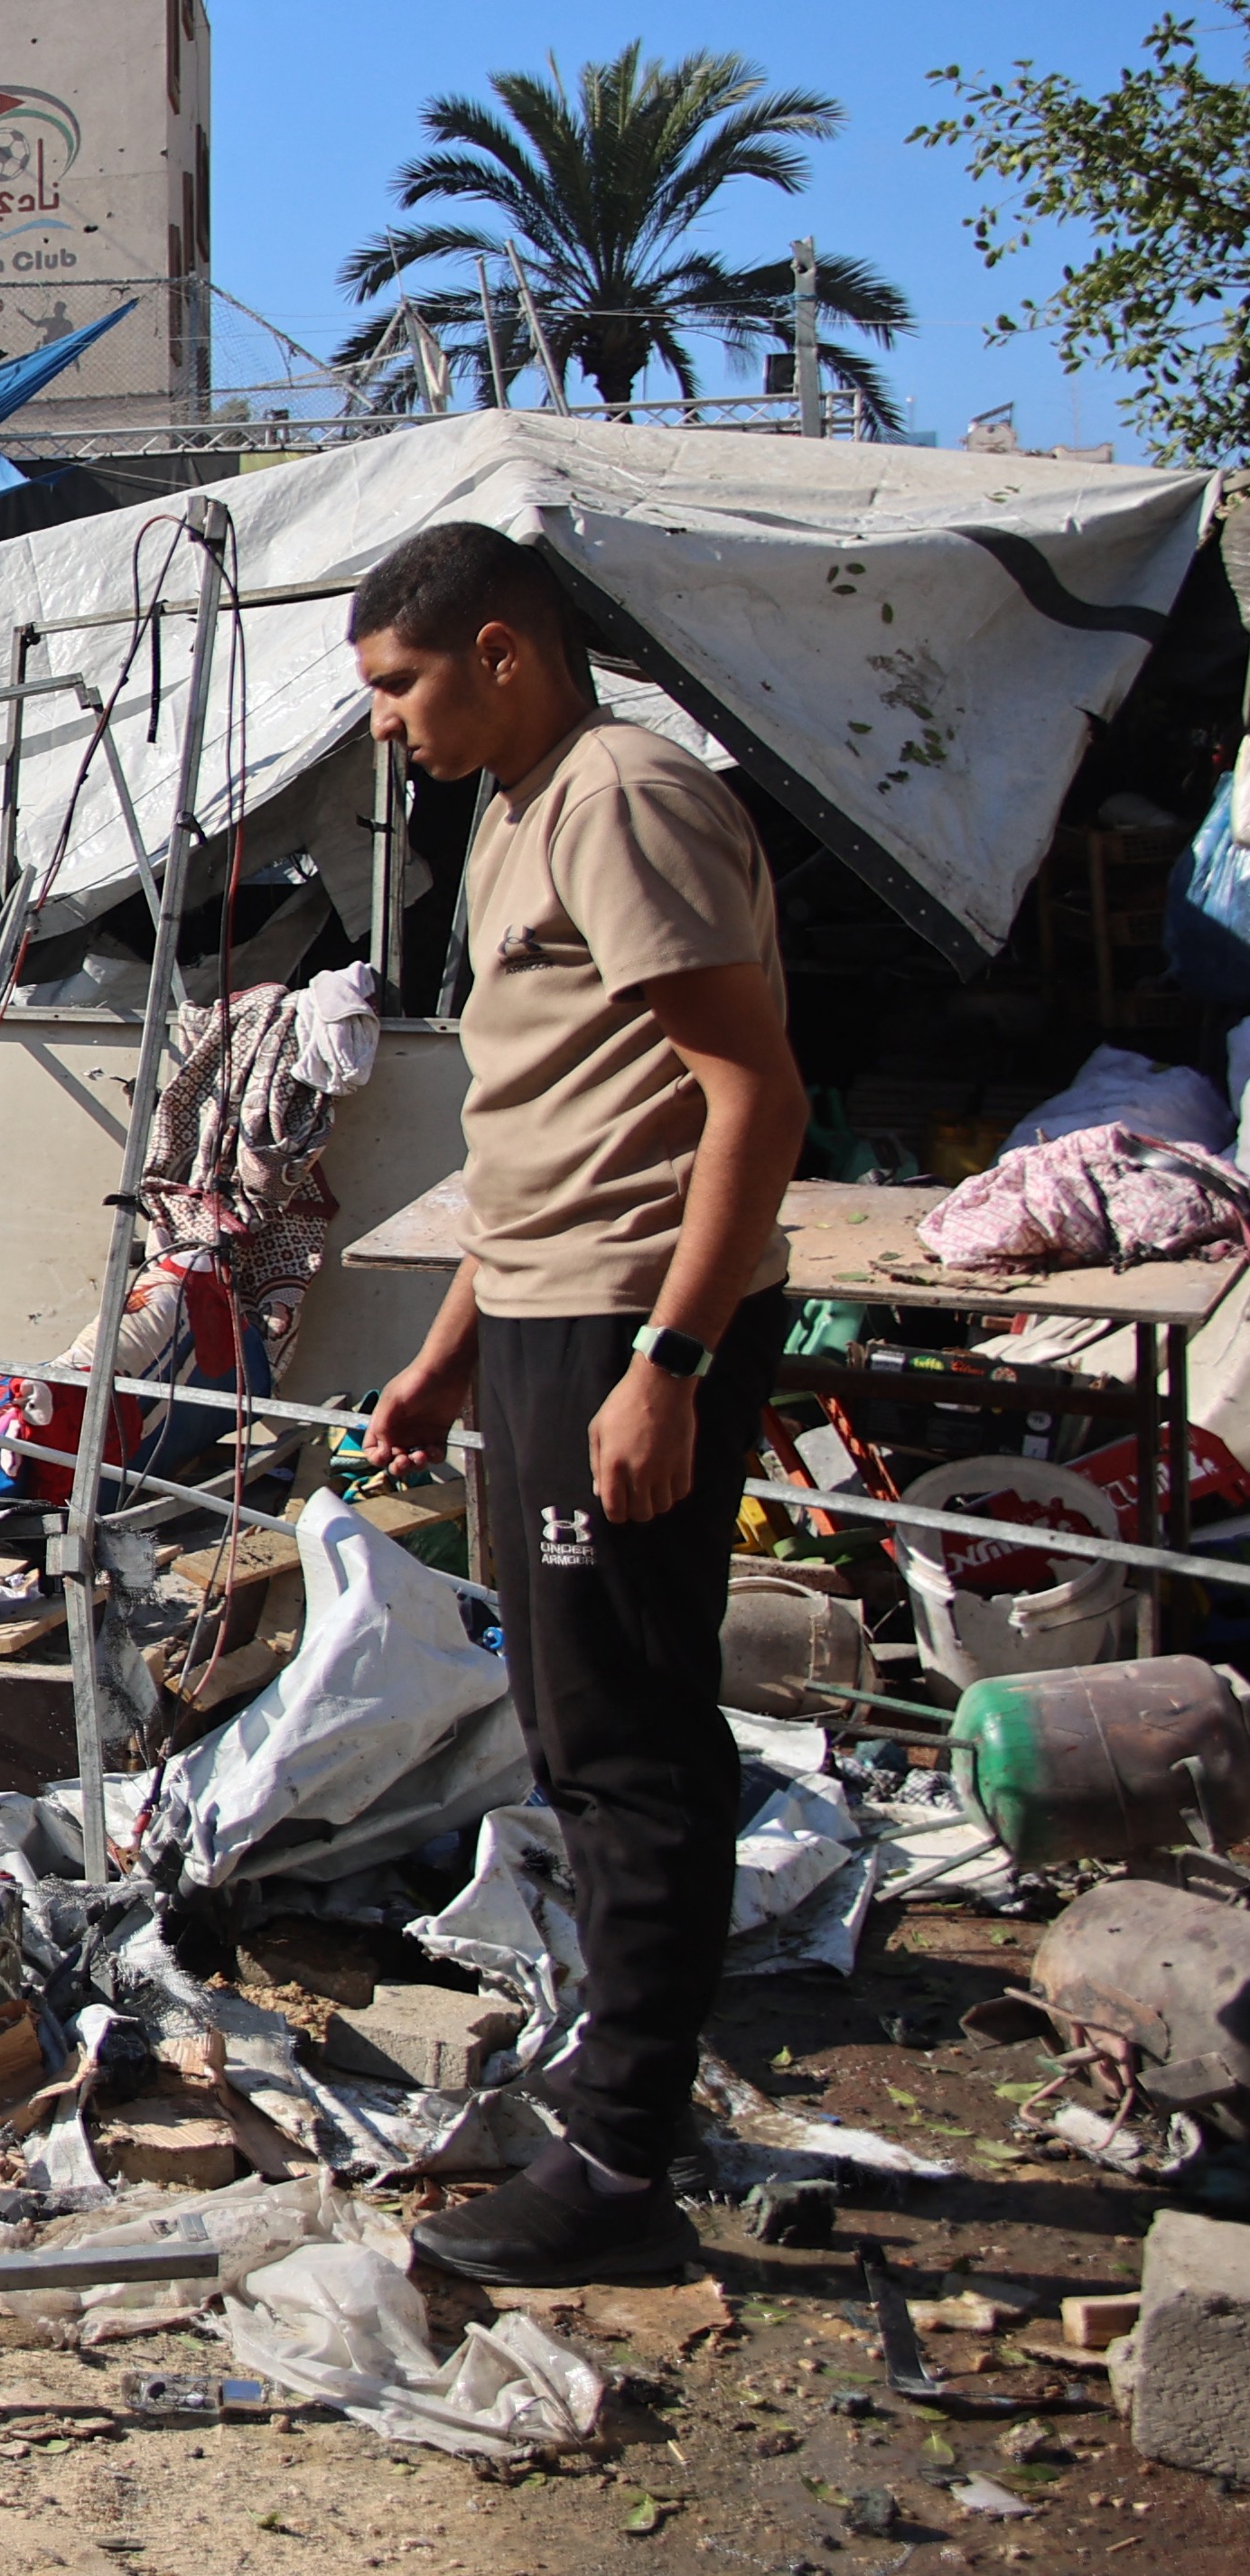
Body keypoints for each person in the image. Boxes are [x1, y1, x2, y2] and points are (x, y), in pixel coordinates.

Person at [354, 520, 805, 2289]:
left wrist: (668, 1368)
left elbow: (750, 1093)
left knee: (621, 1728)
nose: (384, 727)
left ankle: (619, 2161)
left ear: (499, 652)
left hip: (631, 1320)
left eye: (396, 687)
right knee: (571, 1708)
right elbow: (553, 1118)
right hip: (549, 1313)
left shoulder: (622, 795)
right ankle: (617, 2096)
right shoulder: (519, 811)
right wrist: (454, 1346)